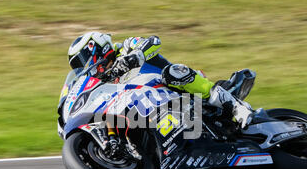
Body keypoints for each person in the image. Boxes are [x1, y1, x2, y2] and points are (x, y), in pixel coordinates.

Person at [67, 31, 253, 127]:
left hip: (172, 87)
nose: (84, 67)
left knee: (172, 72)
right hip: (153, 110)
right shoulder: (104, 81)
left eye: (83, 60)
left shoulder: (124, 48)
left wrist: (134, 56)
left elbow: (153, 41)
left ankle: (236, 105)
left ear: (95, 47)